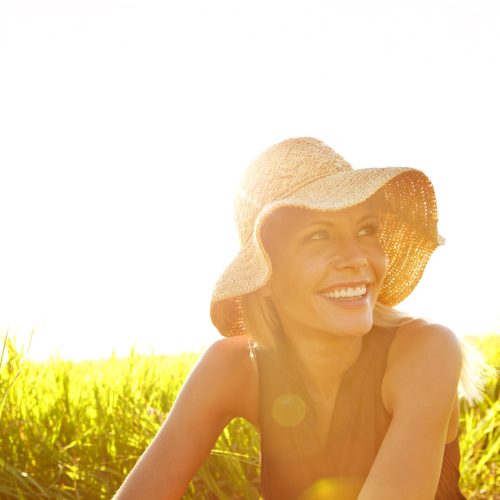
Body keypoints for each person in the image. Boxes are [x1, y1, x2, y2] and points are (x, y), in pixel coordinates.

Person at [114, 137, 472, 499]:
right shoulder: (232, 366)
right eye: (319, 236)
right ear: (264, 275)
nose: (356, 258)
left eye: (366, 230)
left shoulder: (426, 350)